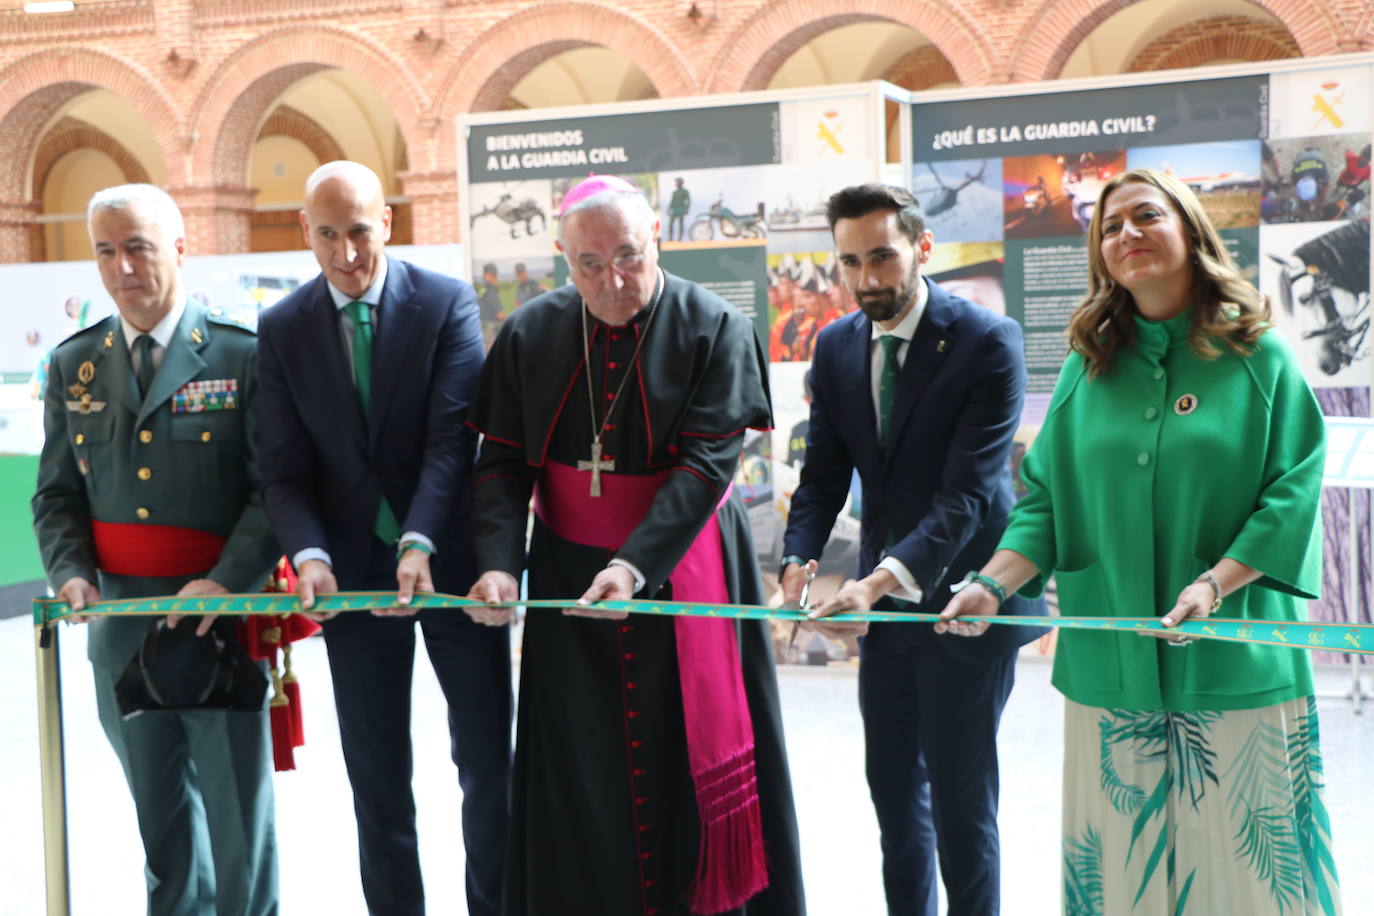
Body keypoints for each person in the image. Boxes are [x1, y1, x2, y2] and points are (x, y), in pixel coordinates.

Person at [941, 168, 1342, 914]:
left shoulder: (1261, 359)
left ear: (1191, 231)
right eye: (1110, 227)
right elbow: (1047, 503)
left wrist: (1214, 584)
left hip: (1238, 668)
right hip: (1110, 677)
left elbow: (1291, 496)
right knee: (1125, 877)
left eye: (1146, 216)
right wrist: (992, 583)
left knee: (1253, 881)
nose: (1127, 234)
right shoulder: (1086, 370)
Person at [465, 174, 805, 916]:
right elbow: (500, 463)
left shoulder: (713, 325)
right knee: (582, 773)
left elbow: (707, 464)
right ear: (563, 258)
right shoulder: (530, 334)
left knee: (685, 762)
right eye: (590, 264)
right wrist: (496, 565)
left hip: (682, 573)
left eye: (629, 256)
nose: (613, 280)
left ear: (658, 240)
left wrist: (632, 564)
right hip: (566, 581)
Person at [780, 183, 1045, 915]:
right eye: (850, 262)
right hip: (885, 613)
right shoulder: (835, 347)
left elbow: (967, 494)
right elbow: (823, 474)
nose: (867, 280)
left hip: (971, 596)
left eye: (883, 257)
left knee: (962, 809)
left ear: (923, 249)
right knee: (896, 800)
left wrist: (878, 581)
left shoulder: (988, 341)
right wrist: (797, 561)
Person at [255, 161, 511, 916]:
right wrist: (310, 556)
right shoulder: (283, 328)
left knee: (488, 767)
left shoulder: (444, 303)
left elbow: (449, 444)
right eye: (327, 234)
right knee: (376, 777)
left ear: (388, 223)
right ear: (305, 231)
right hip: (350, 575)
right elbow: (283, 472)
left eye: (360, 230)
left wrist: (422, 540)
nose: (347, 253)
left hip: (451, 565)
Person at [32, 183, 281, 915]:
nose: (122, 267)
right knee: (160, 820)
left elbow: (275, 492)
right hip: (120, 625)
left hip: (219, 617)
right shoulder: (75, 364)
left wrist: (229, 580)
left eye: (137, 246)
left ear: (179, 246)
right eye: (105, 250)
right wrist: (72, 572)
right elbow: (56, 494)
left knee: (239, 823)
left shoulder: (242, 353)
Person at [668, 176, 691, 241]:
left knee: (681, 224)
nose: (676, 183)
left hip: (681, 210)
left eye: (678, 182)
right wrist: (669, 209)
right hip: (675, 210)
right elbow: (672, 202)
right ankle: (670, 238)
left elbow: (688, 201)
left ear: (681, 183)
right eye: (676, 182)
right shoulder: (675, 192)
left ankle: (680, 238)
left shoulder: (685, 191)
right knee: (671, 224)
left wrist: (686, 209)